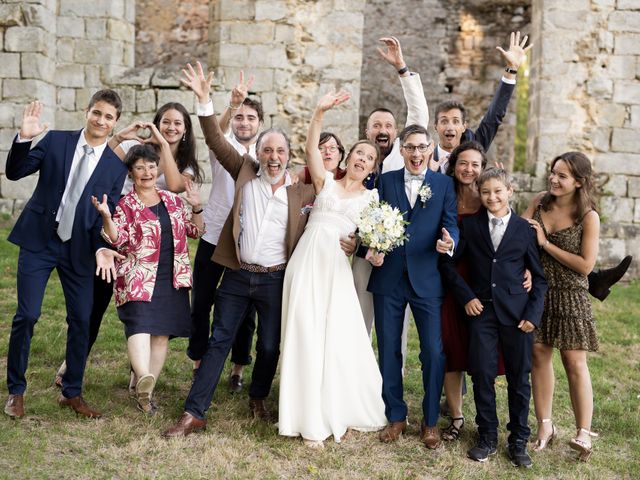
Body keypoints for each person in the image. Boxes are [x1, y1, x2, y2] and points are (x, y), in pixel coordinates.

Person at [162, 62, 354, 438]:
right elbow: (216, 142)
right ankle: (193, 412)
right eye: (267, 150)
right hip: (237, 274)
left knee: (268, 346)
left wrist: (355, 241)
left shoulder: (303, 191)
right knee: (219, 341)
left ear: (288, 156)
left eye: (279, 151)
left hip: (276, 279)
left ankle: (259, 395)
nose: (272, 157)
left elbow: (340, 209)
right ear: (258, 153)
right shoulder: (244, 171)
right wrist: (205, 101)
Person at [54, 101, 203, 389]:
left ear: (185, 131)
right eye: (166, 122)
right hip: (113, 224)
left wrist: (160, 144)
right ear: (157, 122)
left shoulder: (186, 165)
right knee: (94, 305)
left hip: (148, 243)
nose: (171, 127)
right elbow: (100, 157)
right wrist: (121, 136)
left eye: (178, 124)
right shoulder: (134, 146)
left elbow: (172, 186)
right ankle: (72, 364)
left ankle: (141, 375)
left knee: (151, 315)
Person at [4, 91, 128, 419]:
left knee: (82, 320)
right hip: (40, 238)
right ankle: (16, 391)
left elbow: (109, 213)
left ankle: (72, 391)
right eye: (97, 113)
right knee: (27, 315)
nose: (101, 121)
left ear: (116, 123)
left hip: (79, 248)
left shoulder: (116, 168)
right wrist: (24, 139)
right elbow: (15, 173)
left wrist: (103, 246)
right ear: (87, 111)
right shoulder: (56, 141)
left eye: (109, 117)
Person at [278, 91, 386, 449]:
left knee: (333, 337)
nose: (362, 159)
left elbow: (372, 242)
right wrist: (319, 112)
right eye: (359, 153)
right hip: (306, 262)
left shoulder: (371, 200)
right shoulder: (326, 181)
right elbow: (311, 149)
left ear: (372, 168)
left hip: (335, 271)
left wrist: (362, 248)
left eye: (369, 158)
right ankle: (303, 416)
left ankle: (331, 408)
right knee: (303, 332)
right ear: (349, 157)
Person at [440, 167, 547, 467]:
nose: (492, 197)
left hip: (518, 316)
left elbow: (539, 279)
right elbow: (449, 265)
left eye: (498, 191)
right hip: (482, 312)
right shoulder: (471, 227)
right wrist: (467, 297)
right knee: (483, 374)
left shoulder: (526, 230)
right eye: (485, 192)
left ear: (510, 191)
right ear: (479, 193)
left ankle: (518, 441)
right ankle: (486, 435)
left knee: (518, 378)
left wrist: (533, 314)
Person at [367, 124, 458, 450]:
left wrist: (450, 243)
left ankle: (430, 422)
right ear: (401, 149)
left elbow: (450, 224)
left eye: (421, 147)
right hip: (388, 277)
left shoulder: (444, 185)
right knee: (389, 349)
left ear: (430, 148)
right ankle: (396, 416)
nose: (416, 154)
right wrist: (370, 247)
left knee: (433, 352)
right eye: (410, 147)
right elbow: (372, 220)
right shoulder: (385, 182)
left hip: (427, 279)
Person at [94, 144, 203, 414]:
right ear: (131, 173)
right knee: (139, 327)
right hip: (137, 276)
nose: (147, 172)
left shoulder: (173, 201)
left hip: (172, 276)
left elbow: (195, 231)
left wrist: (198, 208)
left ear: (158, 169)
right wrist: (107, 217)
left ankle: (146, 394)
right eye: (140, 167)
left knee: (161, 336)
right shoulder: (126, 205)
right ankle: (142, 376)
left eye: (152, 166)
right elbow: (117, 238)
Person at [353, 36, 430, 372]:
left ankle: (390, 385)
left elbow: (420, 114)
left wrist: (402, 68)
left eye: (387, 126)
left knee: (393, 329)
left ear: (396, 133)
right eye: (376, 126)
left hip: (396, 261)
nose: (382, 130)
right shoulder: (355, 164)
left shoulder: (401, 160)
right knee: (357, 320)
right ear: (366, 131)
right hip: (360, 257)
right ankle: (355, 383)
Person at [523, 152, 601, 462]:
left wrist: (545, 244)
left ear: (579, 182)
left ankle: (583, 432)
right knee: (538, 355)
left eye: (563, 176)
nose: (554, 179)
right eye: (553, 172)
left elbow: (585, 265)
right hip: (539, 292)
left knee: (573, 361)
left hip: (571, 294)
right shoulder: (540, 201)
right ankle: (545, 427)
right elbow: (520, 234)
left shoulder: (588, 216)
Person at [189, 73, 261, 394]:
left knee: (245, 308)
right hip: (214, 233)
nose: (244, 123)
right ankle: (198, 361)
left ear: (260, 122)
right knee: (202, 301)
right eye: (241, 117)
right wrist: (230, 106)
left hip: (246, 241)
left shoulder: (265, 152)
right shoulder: (224, 144)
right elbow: (213, 132)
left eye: (251, 117)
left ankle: (238, 367)